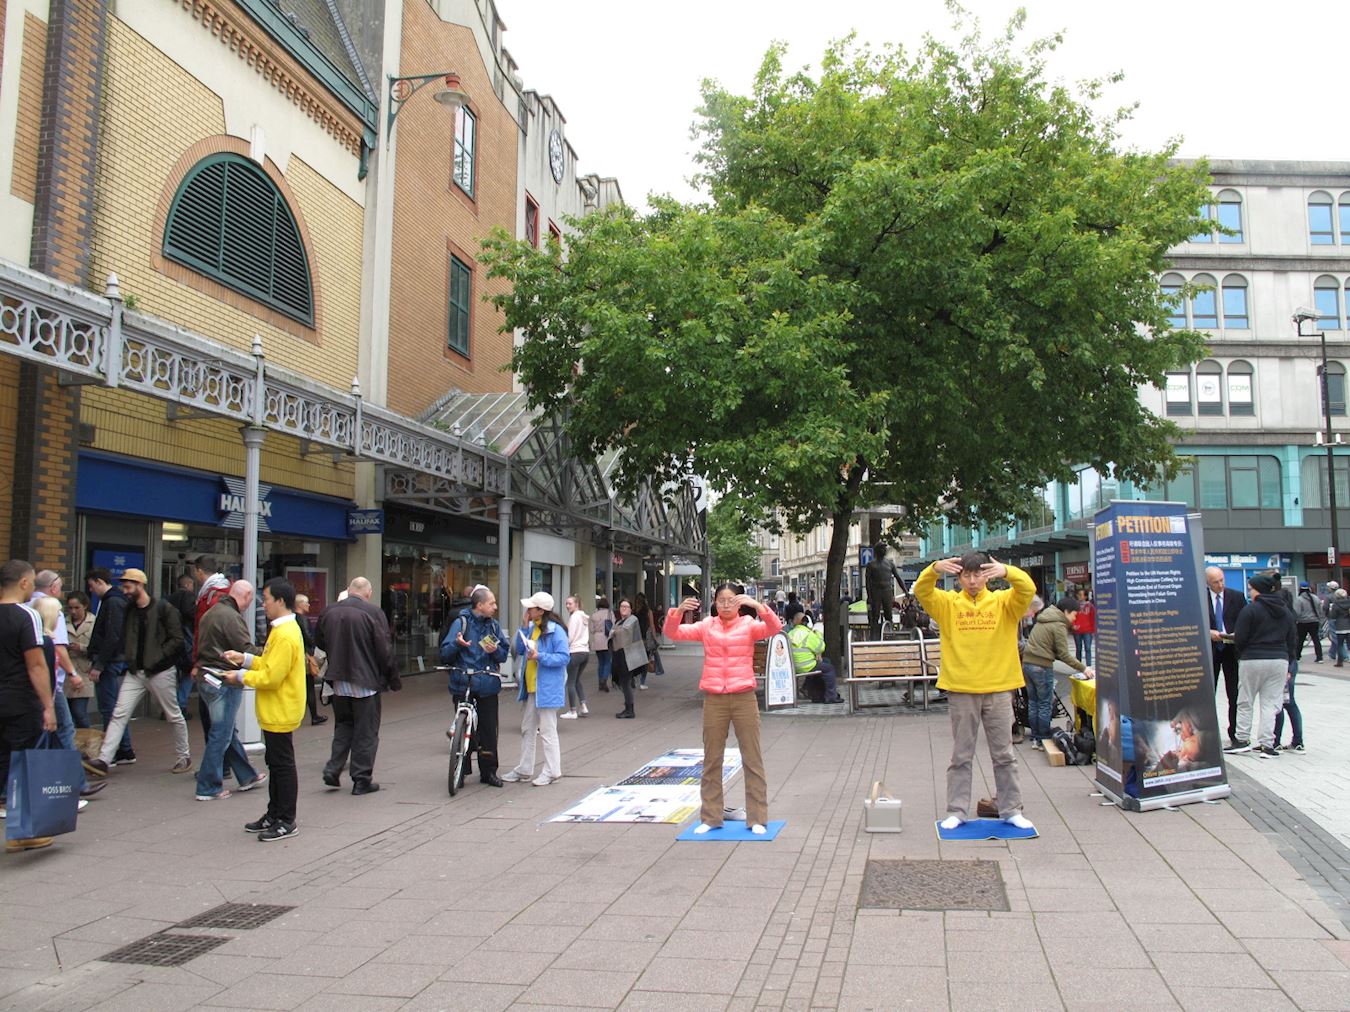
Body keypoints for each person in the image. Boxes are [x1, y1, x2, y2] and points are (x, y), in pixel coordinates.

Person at [914, 552, 1036, 831]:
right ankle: (956, 810)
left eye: (977, 574)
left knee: (1004, 754)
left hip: (999, 687)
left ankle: (1011, 809)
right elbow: (922, 590)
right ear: (958, 578)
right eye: (966, 575)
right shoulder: (948, 604)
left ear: (986, 576)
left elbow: (1028, 588)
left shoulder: (1004, 603)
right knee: (961, 755)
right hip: (962, 688)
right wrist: (934, 569)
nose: (972, 581)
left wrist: (1007, 571)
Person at [664, 584, 781, 834]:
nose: (726, 605)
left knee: (752, 757)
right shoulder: (707, 626)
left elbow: (774, 628)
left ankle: (757, 818)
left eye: (732, 600)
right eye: (721, 600)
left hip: (744, 697)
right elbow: (672, 633)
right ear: (715, 603)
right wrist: (678, 611)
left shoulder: (748, 625)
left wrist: (757, 605)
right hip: (714, 698)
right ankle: (710, 817)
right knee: (712, 758)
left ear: (740, 603)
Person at [220, 578, 306, 841]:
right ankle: (274, 814)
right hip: (276, 709)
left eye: (266, 599)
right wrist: (244, 659)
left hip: (281, 709)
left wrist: (240, 677)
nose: (263, 604)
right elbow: (269, 664)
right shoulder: (281, 630)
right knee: (277, 764)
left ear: (280, 601)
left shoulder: (285, 634)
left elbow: (272, 677)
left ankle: (286, 820)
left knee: (282, 765)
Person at [85, 568, 191, 777]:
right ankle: (104, 760)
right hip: (136, 671)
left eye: (127, 587)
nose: (124, 591)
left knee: (173, 715)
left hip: (159, 671)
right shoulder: (130, 609)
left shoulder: (163, 608)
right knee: (119, 713)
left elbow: (177, 639)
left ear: (140, 585)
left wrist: (159, 657)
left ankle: (184, 756)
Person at [316, 577, 400, 794]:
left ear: (349, 590)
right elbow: (384, 649)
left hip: (338, 679)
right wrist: (392, 678)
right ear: (368, 593)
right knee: (366, 730)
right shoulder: (373, 613)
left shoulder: (328, 612)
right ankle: (361, 779)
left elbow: (320, 642)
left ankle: (333, 768)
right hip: (365, 680)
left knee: (344, 725)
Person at [0, 560, 59, 853]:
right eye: (32, 582)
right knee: (23, 764)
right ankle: (23, 832)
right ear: (23, 583)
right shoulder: (27, 616)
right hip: (19, 702)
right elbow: (36, 664)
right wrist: (48, 706)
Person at [191, 580, 265, 801]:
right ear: (247, 596)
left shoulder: (211, 612)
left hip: (207, 676)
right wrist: (269, 653)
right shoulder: (231, 617)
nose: (250, 605)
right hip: (223, 678)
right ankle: (207, 786)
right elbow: (245, 650)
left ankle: (247, 775)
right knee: (221, 734)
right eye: (251, 600)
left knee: (226, 730)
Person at [440, 585, 510, 787]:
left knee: (488, 731)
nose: (495, 607)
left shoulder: (493, 626)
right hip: (463, 682)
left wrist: (495, 650)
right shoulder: (460, 623)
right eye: (492, 603)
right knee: (463, 730)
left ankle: (489, 772)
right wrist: (457, 644)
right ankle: (461, 770)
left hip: (487, 684)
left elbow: (503, 655)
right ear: (480, 605)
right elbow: (445, 653)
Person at [1225, 572, 1297, 759]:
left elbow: (1240, 638)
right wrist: (1289, 663)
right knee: (1270, 704)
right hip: (1279, 660)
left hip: (1252, 659)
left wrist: (1242, 654)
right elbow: (1292, 640)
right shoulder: (1285, 611)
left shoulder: (1250, 610)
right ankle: (1267, 745)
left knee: (1245, 701)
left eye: (1251, 589)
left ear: (1259, 590)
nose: (1249, 593)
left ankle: (1242, 740)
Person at [502, 592, 569, 786]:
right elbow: (518, 649)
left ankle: (552, 771)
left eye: (531, 608)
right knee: (528, 729)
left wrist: (540, 656)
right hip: (533, 687)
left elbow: (564, 657)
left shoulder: (556, 631)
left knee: (547, 731)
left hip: (546, 688)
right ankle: (525, 768)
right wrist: (524, 627)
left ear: (541, 611)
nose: (528, 611)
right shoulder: (533, 628)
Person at [1021, 595, 1092, 750]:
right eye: (1074, 614)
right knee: (1044, 703)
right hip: (1041, 666)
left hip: (1027, 664)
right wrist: (1084, 668)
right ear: (1066, 612)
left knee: (1033, 702)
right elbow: (1064, 654)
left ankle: (1036, 738)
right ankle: (1043, 739)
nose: (1075, 619)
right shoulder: (1058, 625)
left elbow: (1056, 651)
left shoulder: (1044, 618)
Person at [85, 568, 135, 765]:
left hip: (109, 661)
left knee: (109, 708)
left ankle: (112, 751)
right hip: (112, 659)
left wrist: (99, 664)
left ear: (99, 581)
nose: (91, 590)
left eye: (91, 586)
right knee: (113, 708)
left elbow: (112, 635)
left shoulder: (112, 602)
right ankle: (124, 749)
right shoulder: (112, 601)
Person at [1205, 566, 1247, 748]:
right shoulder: (1201, 598)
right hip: (1211, 650)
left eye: (1222, 580)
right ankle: (1208, 734)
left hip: (1232, 650)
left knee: (1234, 694)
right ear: (1208, 583)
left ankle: (1235, 732)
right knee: (1208, 694)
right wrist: (1208, 632)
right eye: (1215, 582)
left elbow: (1245, 620)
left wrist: (1238, 633)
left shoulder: (1236, 597)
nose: (1220, 584)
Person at [787, 610, 843, 703]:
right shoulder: (807, 634)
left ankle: (813, 692)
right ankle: (831, 696)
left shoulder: (790, 634)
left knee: (825, 661)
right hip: (807, 665)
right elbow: (820, 647)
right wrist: (818, 635)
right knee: (829, 669)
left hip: (793, 666)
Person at [294, 594, 327, 727]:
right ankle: (314, 716)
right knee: (309, 687)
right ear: (300, 604)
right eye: (306, 602)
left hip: (297, 655)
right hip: (305, 656)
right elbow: (308, 637)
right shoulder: (303, 619)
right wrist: (314, 644)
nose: (308, 605)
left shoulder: (291, 618)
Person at [64, 591, 96, 728]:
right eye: (70, 608)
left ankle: (87, 737)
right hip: (67, 671)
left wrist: (82, 648)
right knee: (67, 715)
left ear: (85, 606)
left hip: (84, 670)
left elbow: (98, 647)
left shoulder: (94, 622)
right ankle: (73, 739)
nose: (73, 611)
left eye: (77, 608)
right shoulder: (63, 622)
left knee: (79, 712)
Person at [608, 599, 645, 718]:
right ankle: (628, 707)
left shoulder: (633, 619)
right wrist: (614, 632)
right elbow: (614, 633)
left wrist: (614, 632)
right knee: (624, 683)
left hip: (629, 656)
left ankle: (630, 710)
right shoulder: (619, 621)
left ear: (630, 609)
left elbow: (624, 633)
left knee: (626, 683)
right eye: (621, 606)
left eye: (626, 606)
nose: (623, 608)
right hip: (620, 655)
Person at [865, 544, 909, 640]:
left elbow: (898, 578)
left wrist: (905, 591)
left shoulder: (889, 564)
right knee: (875, 616)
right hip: (876, 592)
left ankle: (890, 635)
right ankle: (874, 637)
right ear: (877, 551)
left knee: (888, 615)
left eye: (884, 549)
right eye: (882, 548)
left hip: (887, 591)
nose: (884, 550)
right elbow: (867, 582)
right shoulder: (871, 565)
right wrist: (869, 596)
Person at [561, 595, 590, 719]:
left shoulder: (574, 617)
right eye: (566, 603)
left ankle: (572, 711)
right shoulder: (584, 617)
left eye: (570, 603)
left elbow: (570, 637)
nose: (567, 606)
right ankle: (583, 706)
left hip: (575, 651)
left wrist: (563, 647)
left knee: (571, 682)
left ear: (576, 604)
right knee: (577, 680)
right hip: (585, 651)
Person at [588, 596, 614, 693]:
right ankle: (604, 679)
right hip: (606, 638)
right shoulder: (610, 614)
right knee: (608, 661)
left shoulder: (594, 615)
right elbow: (613, 626)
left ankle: (600, 683)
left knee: (601, 662)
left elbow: (591, 630)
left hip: (597, 639)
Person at [1294, 583, 1324, 662]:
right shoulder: (1315, 598)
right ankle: (1319, 657)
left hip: (1302, 622)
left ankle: (1297, 656)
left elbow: (1297, 612)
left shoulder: (1299, 599)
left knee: (1300, 640)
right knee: (1316, 639)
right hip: (1314, 621)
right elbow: (1320, 610)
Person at [1071, 592, 1095, 665]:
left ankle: (1088, 665)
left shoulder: (1090, 606)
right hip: (1077, 630)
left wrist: (1093, 629)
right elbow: (1071, 616)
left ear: (1085, 597)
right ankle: (1079, 665)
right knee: (1078, 649)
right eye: (1078, 595)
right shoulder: (1074, 606)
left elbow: (1093, 618)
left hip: (1087, 630)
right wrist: (1073, 625)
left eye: (1081, 595)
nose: (1079, 596)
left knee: (1088, 648)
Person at [1330, 588, 1350, 667]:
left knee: (1340, 645)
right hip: (1349, 624)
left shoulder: (1336, 605)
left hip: (1340, 626)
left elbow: (1333, 616)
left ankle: (1340, 662)